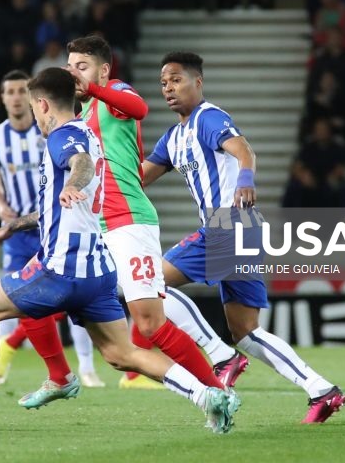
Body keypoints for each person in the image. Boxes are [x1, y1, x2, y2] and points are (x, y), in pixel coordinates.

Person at [0, 67, 239, 433]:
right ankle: (206, 396)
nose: (35, 116)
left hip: (61, 269)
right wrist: (11, 226)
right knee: (123, 355)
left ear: (42, 104)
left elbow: (80, 166)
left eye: (33, 107)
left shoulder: (63, 137)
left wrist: (73, 183)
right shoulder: (89, 133)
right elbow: (62, 199)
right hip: (98, 271)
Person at [141, 51, 345, 423]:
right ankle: (322, 390)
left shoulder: (209, 117)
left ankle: (220, 354)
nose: (168, 88)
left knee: (147, 282)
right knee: (247, 331)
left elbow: (243, 149)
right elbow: (139, 177)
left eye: (176, 79)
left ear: (197, 82)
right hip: (236, 229)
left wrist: (246, 179)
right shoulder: (173, 138)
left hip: (229, 224)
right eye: (163, 83)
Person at [66, 35, 229, 391]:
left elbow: (139, 109)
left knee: (151, 321)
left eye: (82, 66)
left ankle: (216, 385)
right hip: (100, 224)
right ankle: (61, 376)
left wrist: (93, 88)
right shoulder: (85, 111)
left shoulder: (114, 93)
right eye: (70, 67)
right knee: (121, 331)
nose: (73, 74)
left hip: (128, 220)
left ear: (103, 70)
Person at [0, 70, 104, 389]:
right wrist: (2, 212)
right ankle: (4, 366)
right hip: (25, 227)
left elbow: (81, 163)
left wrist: (73, 186)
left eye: (23, 91)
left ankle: (84, 369)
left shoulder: (57, 132)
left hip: (60, 225)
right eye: (9, 91)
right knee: (25, 302)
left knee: (66, 299)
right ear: (3, 97)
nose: (17, 97)